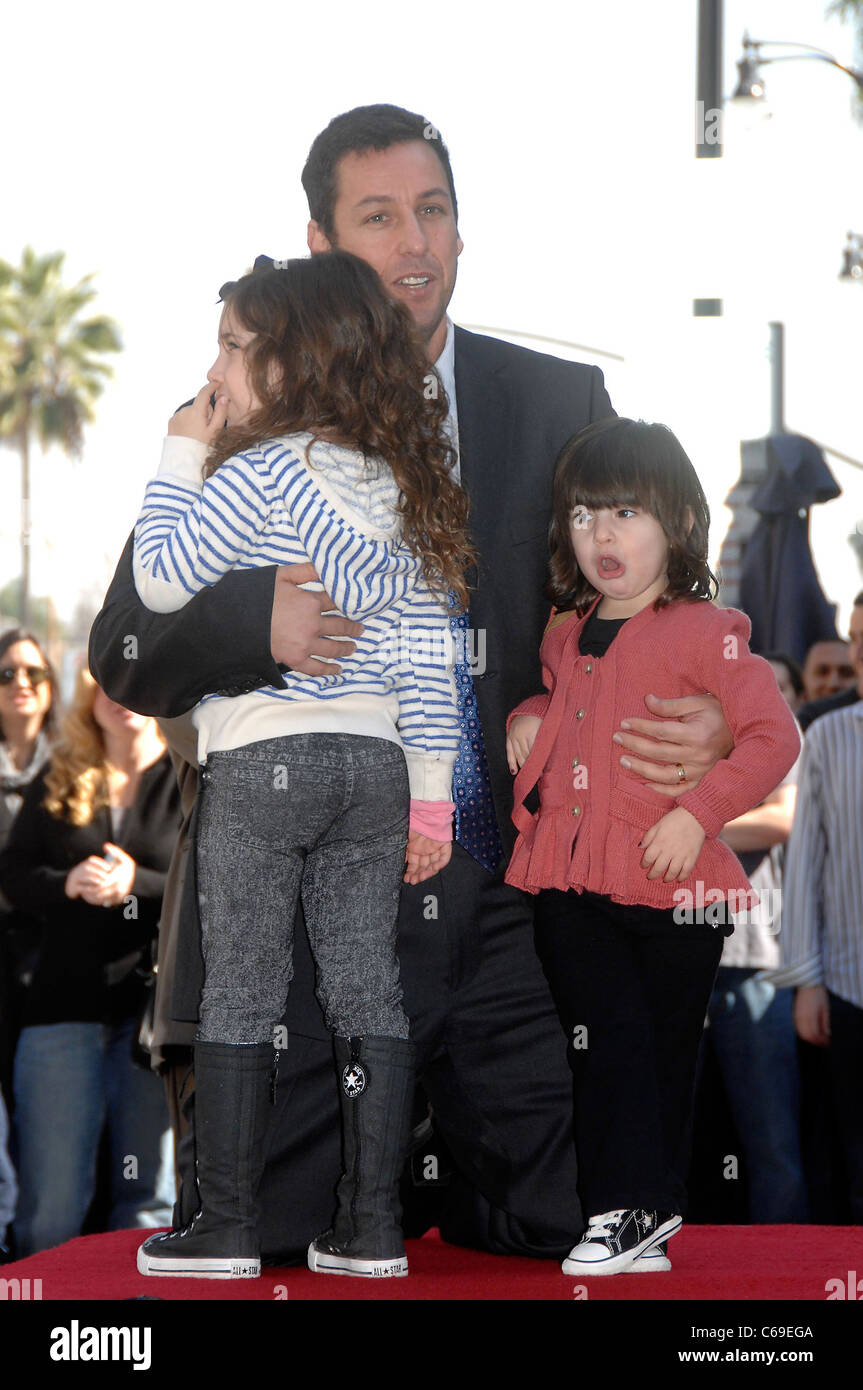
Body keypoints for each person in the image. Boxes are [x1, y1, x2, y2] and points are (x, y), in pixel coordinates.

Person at [89, 104, 733, 1262]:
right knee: (273, 1236)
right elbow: (123, 647)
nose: (415, 243)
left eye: (433, 210)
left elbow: (662, 591)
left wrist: (698, 710)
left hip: (511, 896)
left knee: (562, 1221)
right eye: (379, 216)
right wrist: (260, 624)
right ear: (320, 240)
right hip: (310, 890)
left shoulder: (561, 405)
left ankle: (441, 1180)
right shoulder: (241, 419)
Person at [131, 252, 471, 1280]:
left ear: (293, 364)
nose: (218, 366)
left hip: (263, 757)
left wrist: (178, 449)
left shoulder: (258, 473)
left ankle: (226, 1226)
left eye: (238, 345)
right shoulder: (410, 491)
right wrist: (429, 804)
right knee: (368, 987)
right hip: (373, 769)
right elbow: (429, 657)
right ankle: (368, 1229)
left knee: (243, 986)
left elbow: (156, 583)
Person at [505, 418, 800, 1275]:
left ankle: (642, 1212)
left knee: (662, 1044)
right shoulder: (563, 633)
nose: (601, 532)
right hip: (571, 881)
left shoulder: (710, 631)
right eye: (584, 512)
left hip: (679, 890)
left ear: (674, 520)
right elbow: (561, 706)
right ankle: (623, 1207)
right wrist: (530, 716)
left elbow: (772, 740)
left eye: (626, 511)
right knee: (606, 1037)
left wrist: (699, 811)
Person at [0, 670, 179, 1256]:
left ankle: (139, 1325)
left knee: (148, 1203)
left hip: (150, 1023)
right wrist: (68, 882)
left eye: (134, 681)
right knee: (50, 1207)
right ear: (87, 697)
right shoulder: (60, 775)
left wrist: (140, 882)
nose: (120, 694)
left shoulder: (186, 778)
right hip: (61, 1014)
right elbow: (14, 876)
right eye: (106, 682)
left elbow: (215, 879)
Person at [694, 651, 807, 1223]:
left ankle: (788, 1277)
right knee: (668, 1138)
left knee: (771, 1142)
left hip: (753, 961)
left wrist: (688, 822)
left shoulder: (771, 729)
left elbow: (782, 818)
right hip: (677, 958)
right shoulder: (674, 724)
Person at [768, 594, 863, 1222]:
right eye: (858, 636)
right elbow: (805, 866)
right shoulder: (827, 735)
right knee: (854, 1157)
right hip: (850, 987)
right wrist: (806, 981)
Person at [0, 628, 59, 1257]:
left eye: (34, 674)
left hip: (54, 966)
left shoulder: (74, 767)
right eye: (8, 673)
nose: (21, 684)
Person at [796, 600, 863, 731]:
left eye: (846, 673)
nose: (833, 683)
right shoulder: (814, 724)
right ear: (803, 678)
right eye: (822, 672)